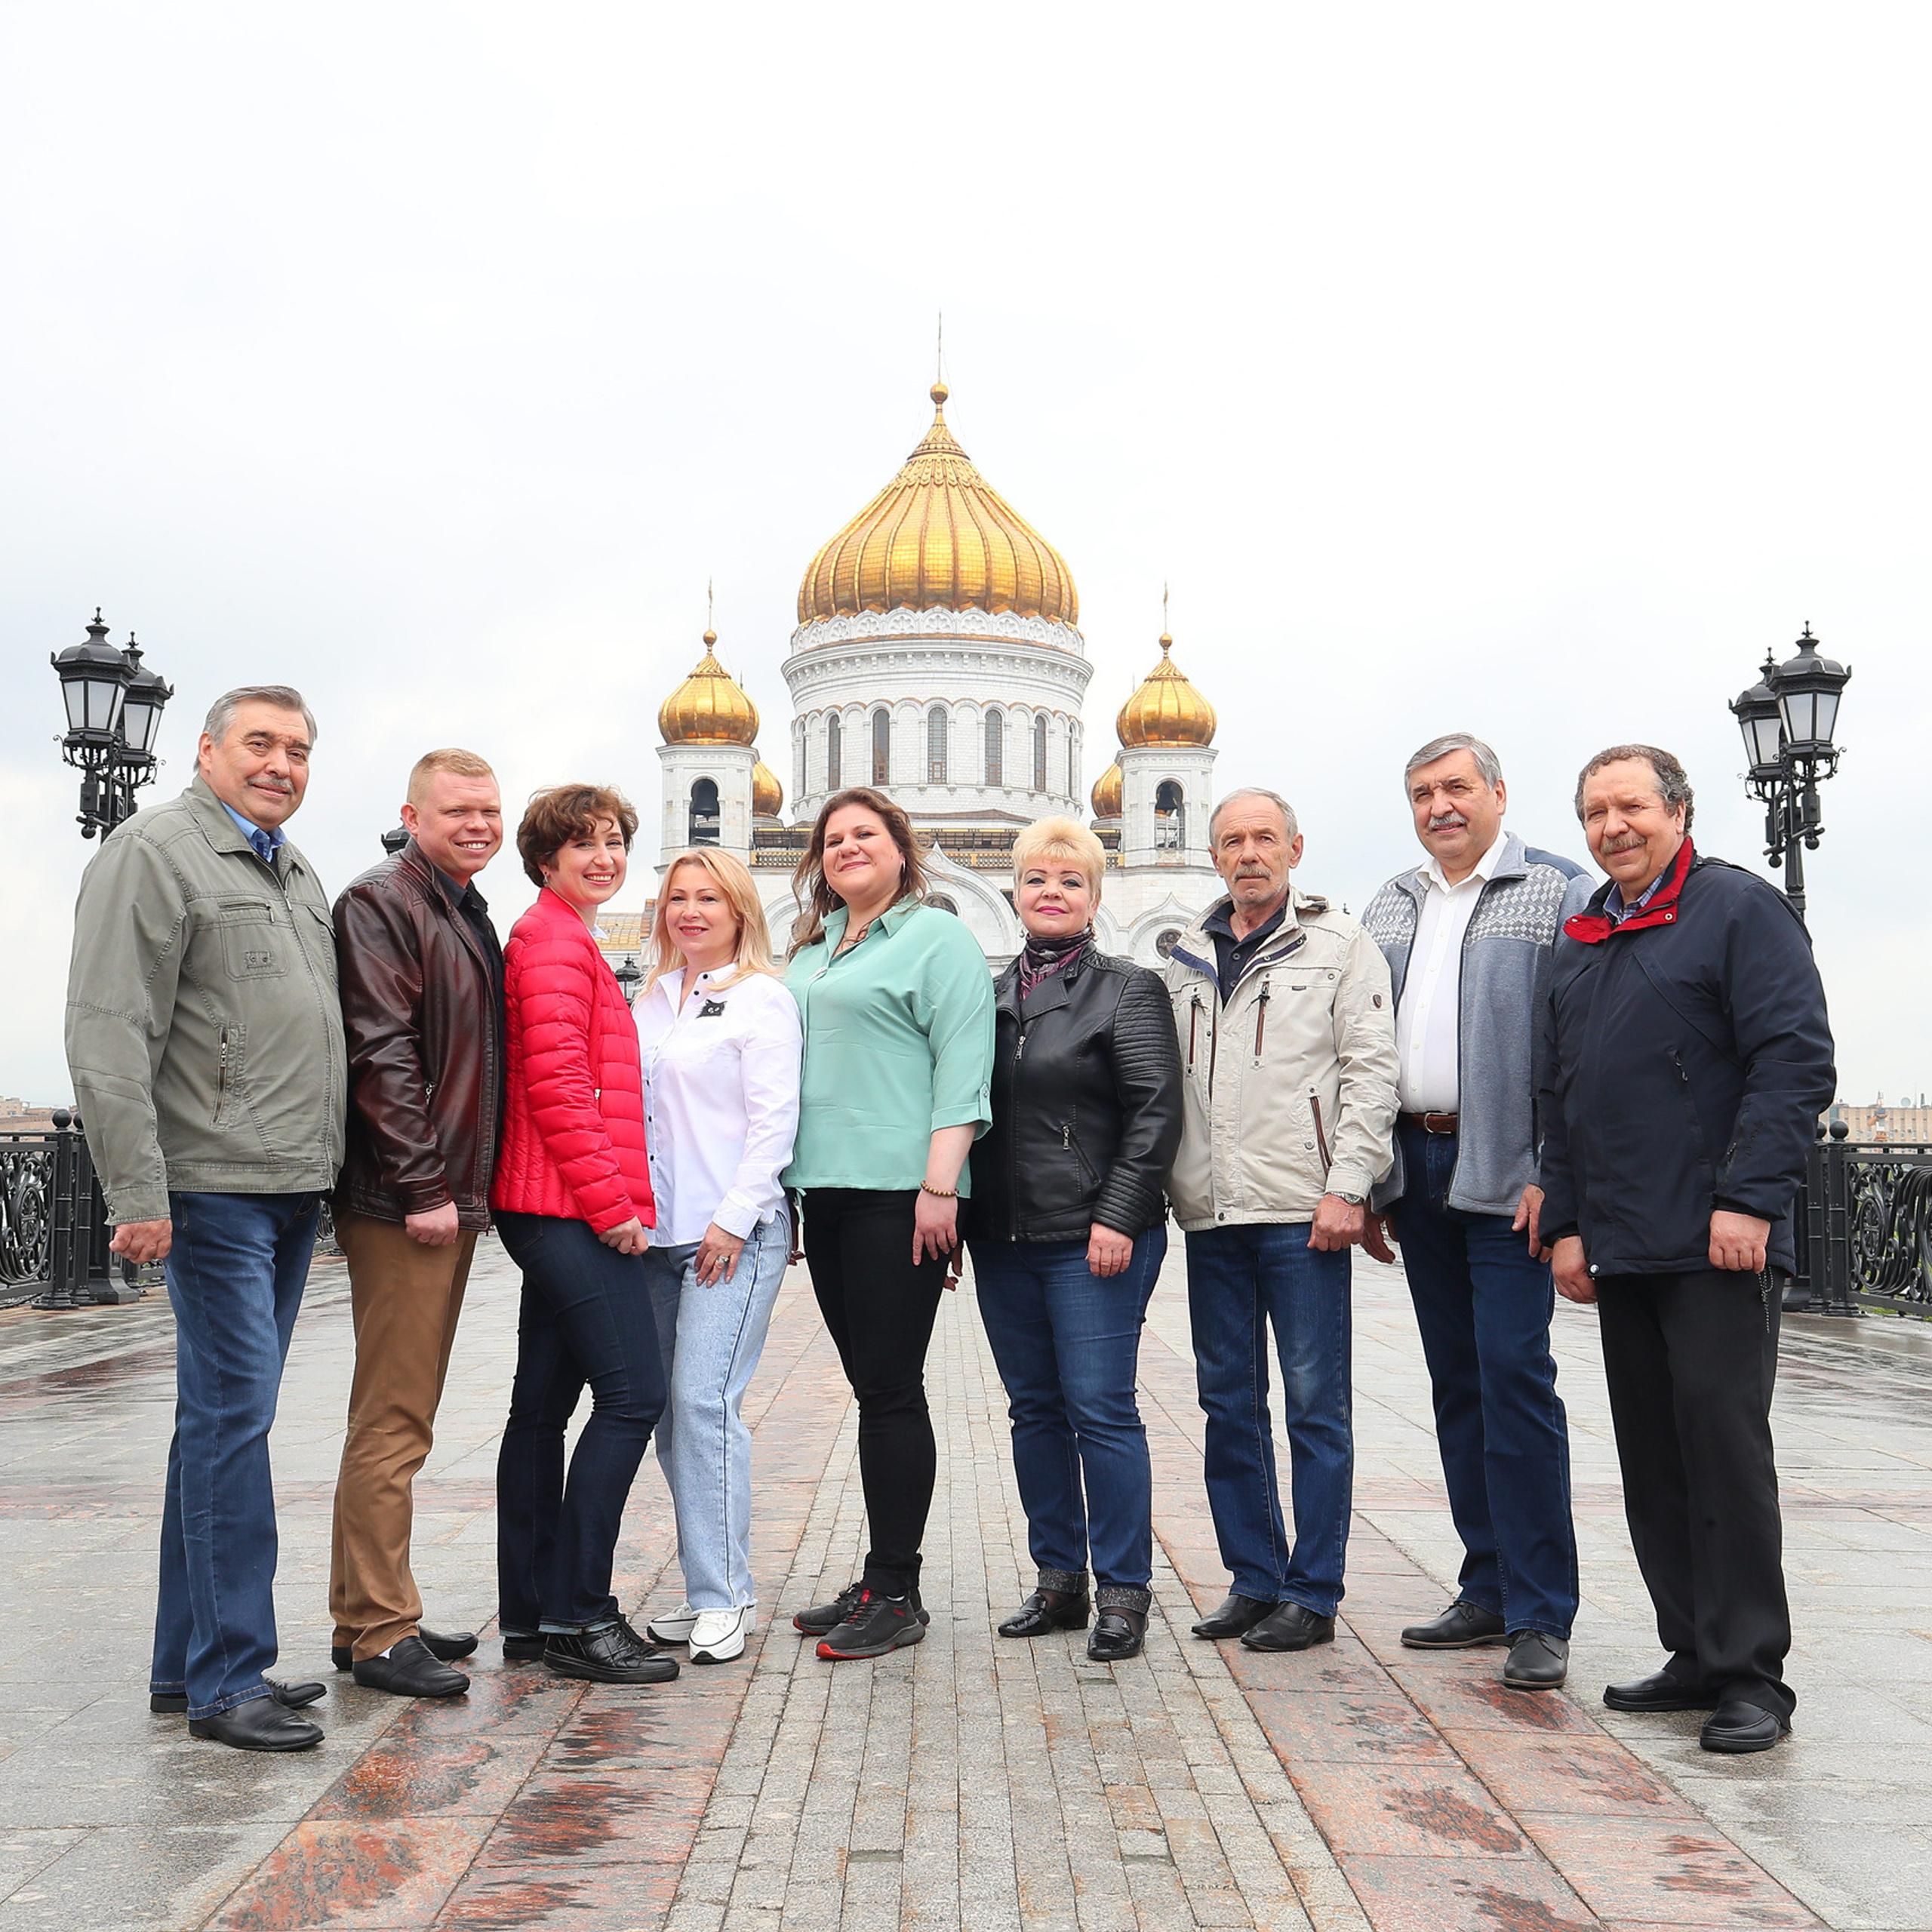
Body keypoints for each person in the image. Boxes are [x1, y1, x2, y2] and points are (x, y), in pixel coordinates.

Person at [65, 686, 343, 1751]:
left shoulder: (291, 866)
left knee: (216, 1424)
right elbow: (106, 1029)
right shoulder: (154, 852)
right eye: (261, 744)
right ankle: (233, 1677)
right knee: (234, 1425)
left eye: (299, 750)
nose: (281, 764)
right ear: (208, 750)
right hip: (212, 1186)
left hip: (284, 1185)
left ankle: (189, 1664)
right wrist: (136, 1196)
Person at [1541, 746, 1833, 1753]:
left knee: (1724, 1453)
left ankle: (1753, 1675)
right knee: (1654, 1457)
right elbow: (1560, 1097)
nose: (1611, 827)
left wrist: (1750, 1198)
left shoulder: (1738, 910)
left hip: (1720, 1241)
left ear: (1678, 810)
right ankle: (1693, 1651)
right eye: (1593, 813)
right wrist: (1569, 1224)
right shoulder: (1578, 942)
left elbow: (1794, 1058)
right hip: (1622, 1242)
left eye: (1629, 807)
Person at [1360, 734, 1593, 1693]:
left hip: (1509, 1178)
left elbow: (1580, 1049)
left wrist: (1554, 1172)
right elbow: (1363, 1045)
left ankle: (1541, 1611)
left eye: (1456, 787)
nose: (1438, 806)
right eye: (1421, 793)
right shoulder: (1393, 900)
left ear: (1498, 792)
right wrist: (1372, 1177)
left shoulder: (1558, 892)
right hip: (1417, 1165)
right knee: (1456, 1380)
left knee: (1514, 1380)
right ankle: (1486, 1583)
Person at [1164, 787, 1398, 1653]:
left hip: (1303, 1212)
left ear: (1295, 847)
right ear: (1215, 854)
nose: (1248, 853)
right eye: (1232, 840)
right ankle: (1254, 1577)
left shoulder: (1338, 945)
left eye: (1264, 838)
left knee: (1313, 1407)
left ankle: (1314, 1588)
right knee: (1227, 1403)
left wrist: (1348, 1185)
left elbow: (1371, 1071)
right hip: (1213, 1213)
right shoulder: (1185, 952)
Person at [783, 786, 995, 1661]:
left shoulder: (936, 934)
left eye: (864, 834)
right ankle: (878, 1577)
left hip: (900, 1193)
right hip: (825, 1190)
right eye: (833, 839)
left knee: (891, 1387)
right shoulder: (814, 945)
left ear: (901, 849)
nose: (846, 848)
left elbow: (963, 1057)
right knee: (871, 1386)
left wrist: (939, 1185)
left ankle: (897, 1588)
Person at [964, 817, 1181, 1663]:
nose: (1051, 891)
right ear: (1015, 893)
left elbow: (1154, 1111)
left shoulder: (1126, 988)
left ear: (1094, 896)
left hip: (1091, 1236)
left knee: (1100, 1409)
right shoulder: (988, 996)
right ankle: (1059, 1577)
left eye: (1071, 879)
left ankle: (1124, 1589)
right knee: (1034, 1411)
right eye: (1036, 879)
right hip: (1004, 1238)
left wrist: (1118, 1215)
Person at [327, 749, 506, 1698]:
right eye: (458, 809)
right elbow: (384, 1053)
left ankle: (367, 1608)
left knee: (403, 1412)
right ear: (413, 812)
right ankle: (378, 1631)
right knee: (393, 1418)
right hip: (407, 1201)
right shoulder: (387, 901)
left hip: (436, 1194)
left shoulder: (454, 906)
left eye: (489, 809)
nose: (478, 823)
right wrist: (425, 1185)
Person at [491, 785, 677, 1686]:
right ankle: (581, 1614)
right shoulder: (558, 944)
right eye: (584, 844)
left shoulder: (555, 935)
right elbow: (562, 1089)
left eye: (614, 842)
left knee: (540, 1409)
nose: (604, 857)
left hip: (547, 1202)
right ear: (546, 858)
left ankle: (530, 1613)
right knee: (634, 1393)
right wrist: (614, 1209)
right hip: (565, 1207)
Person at [636, 849, 801, 1666]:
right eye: (678, 898)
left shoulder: (760, 999)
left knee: (704, 1404)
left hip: (729, 1237)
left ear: (739, 910)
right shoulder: (654, 999)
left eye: (709, 898)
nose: (690, 911)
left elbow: (775, 1120)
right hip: (658, 1235)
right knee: (671, 1415)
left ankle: (725, 1597)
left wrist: (735, 1220)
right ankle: (708, 1580)